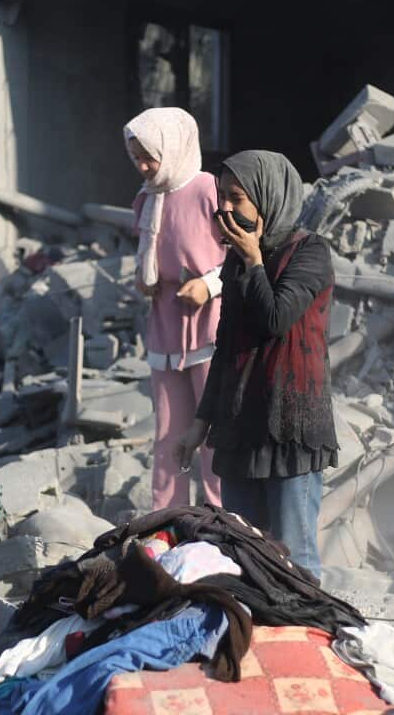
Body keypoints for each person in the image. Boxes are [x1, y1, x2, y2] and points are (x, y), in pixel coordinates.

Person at [176, 150, 338, 579]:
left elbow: (275, 320)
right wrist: (200, 422)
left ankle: (307, 638)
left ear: (267, 198)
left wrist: (253, 261)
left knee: (293, 556)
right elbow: (226, 345)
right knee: (241, 550)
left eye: (236, 198)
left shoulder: (310, 254)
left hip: (289, 425)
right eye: (221, 198)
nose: (225, 209)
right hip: (240, 425)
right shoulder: (237, 260)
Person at [125, 107, 226, 510]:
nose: (145, 166)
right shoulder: (146, 200)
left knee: (216, 435)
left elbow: (245, 255)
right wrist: (142, 276)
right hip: (165, 329)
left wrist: (209, 285)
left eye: (150, 155)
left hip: (211, 329)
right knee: (169, 435)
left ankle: (227, 526)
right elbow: (145, 256)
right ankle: (167, 524)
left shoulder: (208, 191)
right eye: (137, 158)